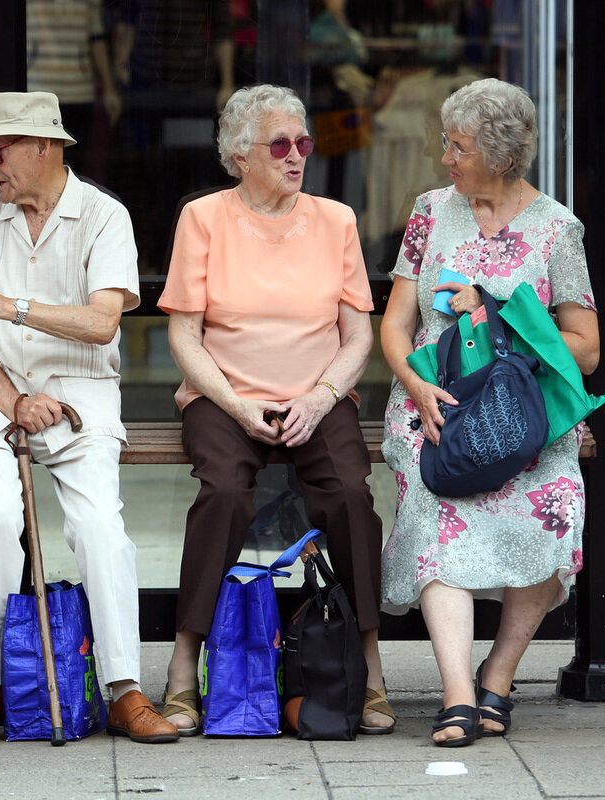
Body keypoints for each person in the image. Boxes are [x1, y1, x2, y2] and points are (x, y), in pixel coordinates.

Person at [0, 91, 178, 745]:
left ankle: (125, 689)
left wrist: (9, 304)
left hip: (80, 390)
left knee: (100, 526)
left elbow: (104, 324)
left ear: (45, 146)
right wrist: (11, 399)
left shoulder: (103, 216)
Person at [157, 84, 395, 737]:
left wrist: (319, 399)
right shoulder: (203, 218)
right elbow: (183, 335)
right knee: (226, 493)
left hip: (316, 398)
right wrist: (234, 404)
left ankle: (368, 664)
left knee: (350, 494)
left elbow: (358, 337)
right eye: (281, 145)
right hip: (224, 395)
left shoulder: (335, 219)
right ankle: (185, 661)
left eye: (304, 144)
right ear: (239, 155)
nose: (298, 157)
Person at [379, 78, 600, 747]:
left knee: (557, 503)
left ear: (502, 157)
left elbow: (585, 351)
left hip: (521, 414)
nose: (445, 156)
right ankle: (456, 696)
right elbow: (394, 326)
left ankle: (497, 676)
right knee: (436, 510)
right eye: (446, 141)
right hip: (436, 406)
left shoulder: (556, 230)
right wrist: (416, 391)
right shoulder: (428, 211)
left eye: (459, 145)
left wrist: (498, 309)